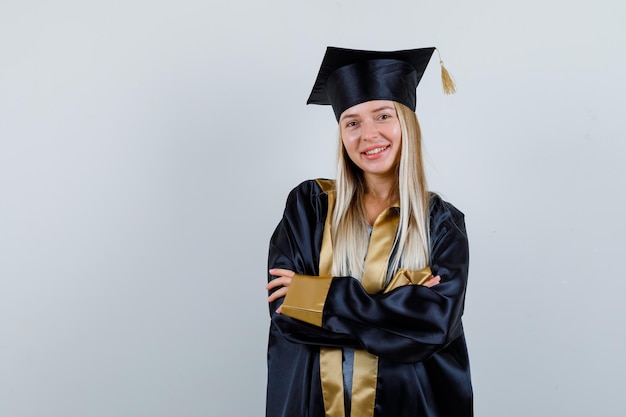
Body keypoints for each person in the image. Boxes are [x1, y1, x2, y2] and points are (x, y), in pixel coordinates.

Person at [265, 46, 472, 417]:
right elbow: (286, 313)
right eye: (352, 122)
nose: (368, 134)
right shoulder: (309, 206)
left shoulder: (441, 224)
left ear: (406, 122)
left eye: (382, 116)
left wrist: (317, 295)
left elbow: (435, 328)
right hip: (312, 404)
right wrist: (397, 308)